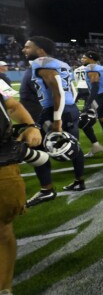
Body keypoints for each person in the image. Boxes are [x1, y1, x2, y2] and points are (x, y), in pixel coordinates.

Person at [22, 36, 87, 207]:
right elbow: (71, 90)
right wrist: (70, 108)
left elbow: (57, 90)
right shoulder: (62, 64)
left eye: (28, 47)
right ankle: (79, 181)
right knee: (74, 144)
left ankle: (46, 190)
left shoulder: (41, 62)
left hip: (54, 110)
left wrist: (57, 118)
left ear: (40, 49)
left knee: (36, 146)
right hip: (69, 108)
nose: (24, 50)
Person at [0, 93, 43, 295]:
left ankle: (4, 288)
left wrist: (29, 126)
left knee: (2, 231)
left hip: (2, 165)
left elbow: (11, 104)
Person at [79, 52, 103, 156]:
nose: (82, 59)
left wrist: (88, 103)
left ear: (90, 58)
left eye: (84, 57)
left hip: (98, 96)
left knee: (83, 122)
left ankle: (96, 146)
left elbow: (95, 86)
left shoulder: (91, 67)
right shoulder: (101, 68)